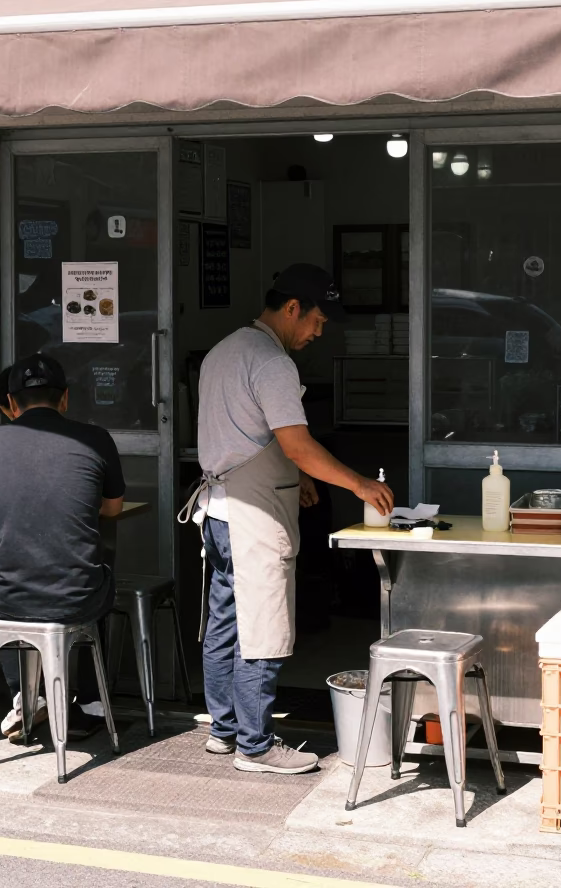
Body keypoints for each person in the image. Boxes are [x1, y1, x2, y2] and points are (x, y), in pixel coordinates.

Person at [187, 264, 394, 775]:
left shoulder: (224, 350)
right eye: (318, 320)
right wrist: (359, 484)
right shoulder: (274, 363)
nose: (319, 332)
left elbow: (248, 435)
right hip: (254, 516)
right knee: (264, 622)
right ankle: (255, 746)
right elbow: (298, 445)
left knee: (225, 623)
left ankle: (225, 729)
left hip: (216, 511)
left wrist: (298, 475)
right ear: (293, 308)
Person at [0, 353, 125, 741]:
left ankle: (26, 696)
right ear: (65, 398)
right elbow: (112, 508)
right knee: (93, 576)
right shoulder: (95, 438)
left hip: (3, 598)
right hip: (78, 599)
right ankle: (90, 704)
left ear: (11, 402)